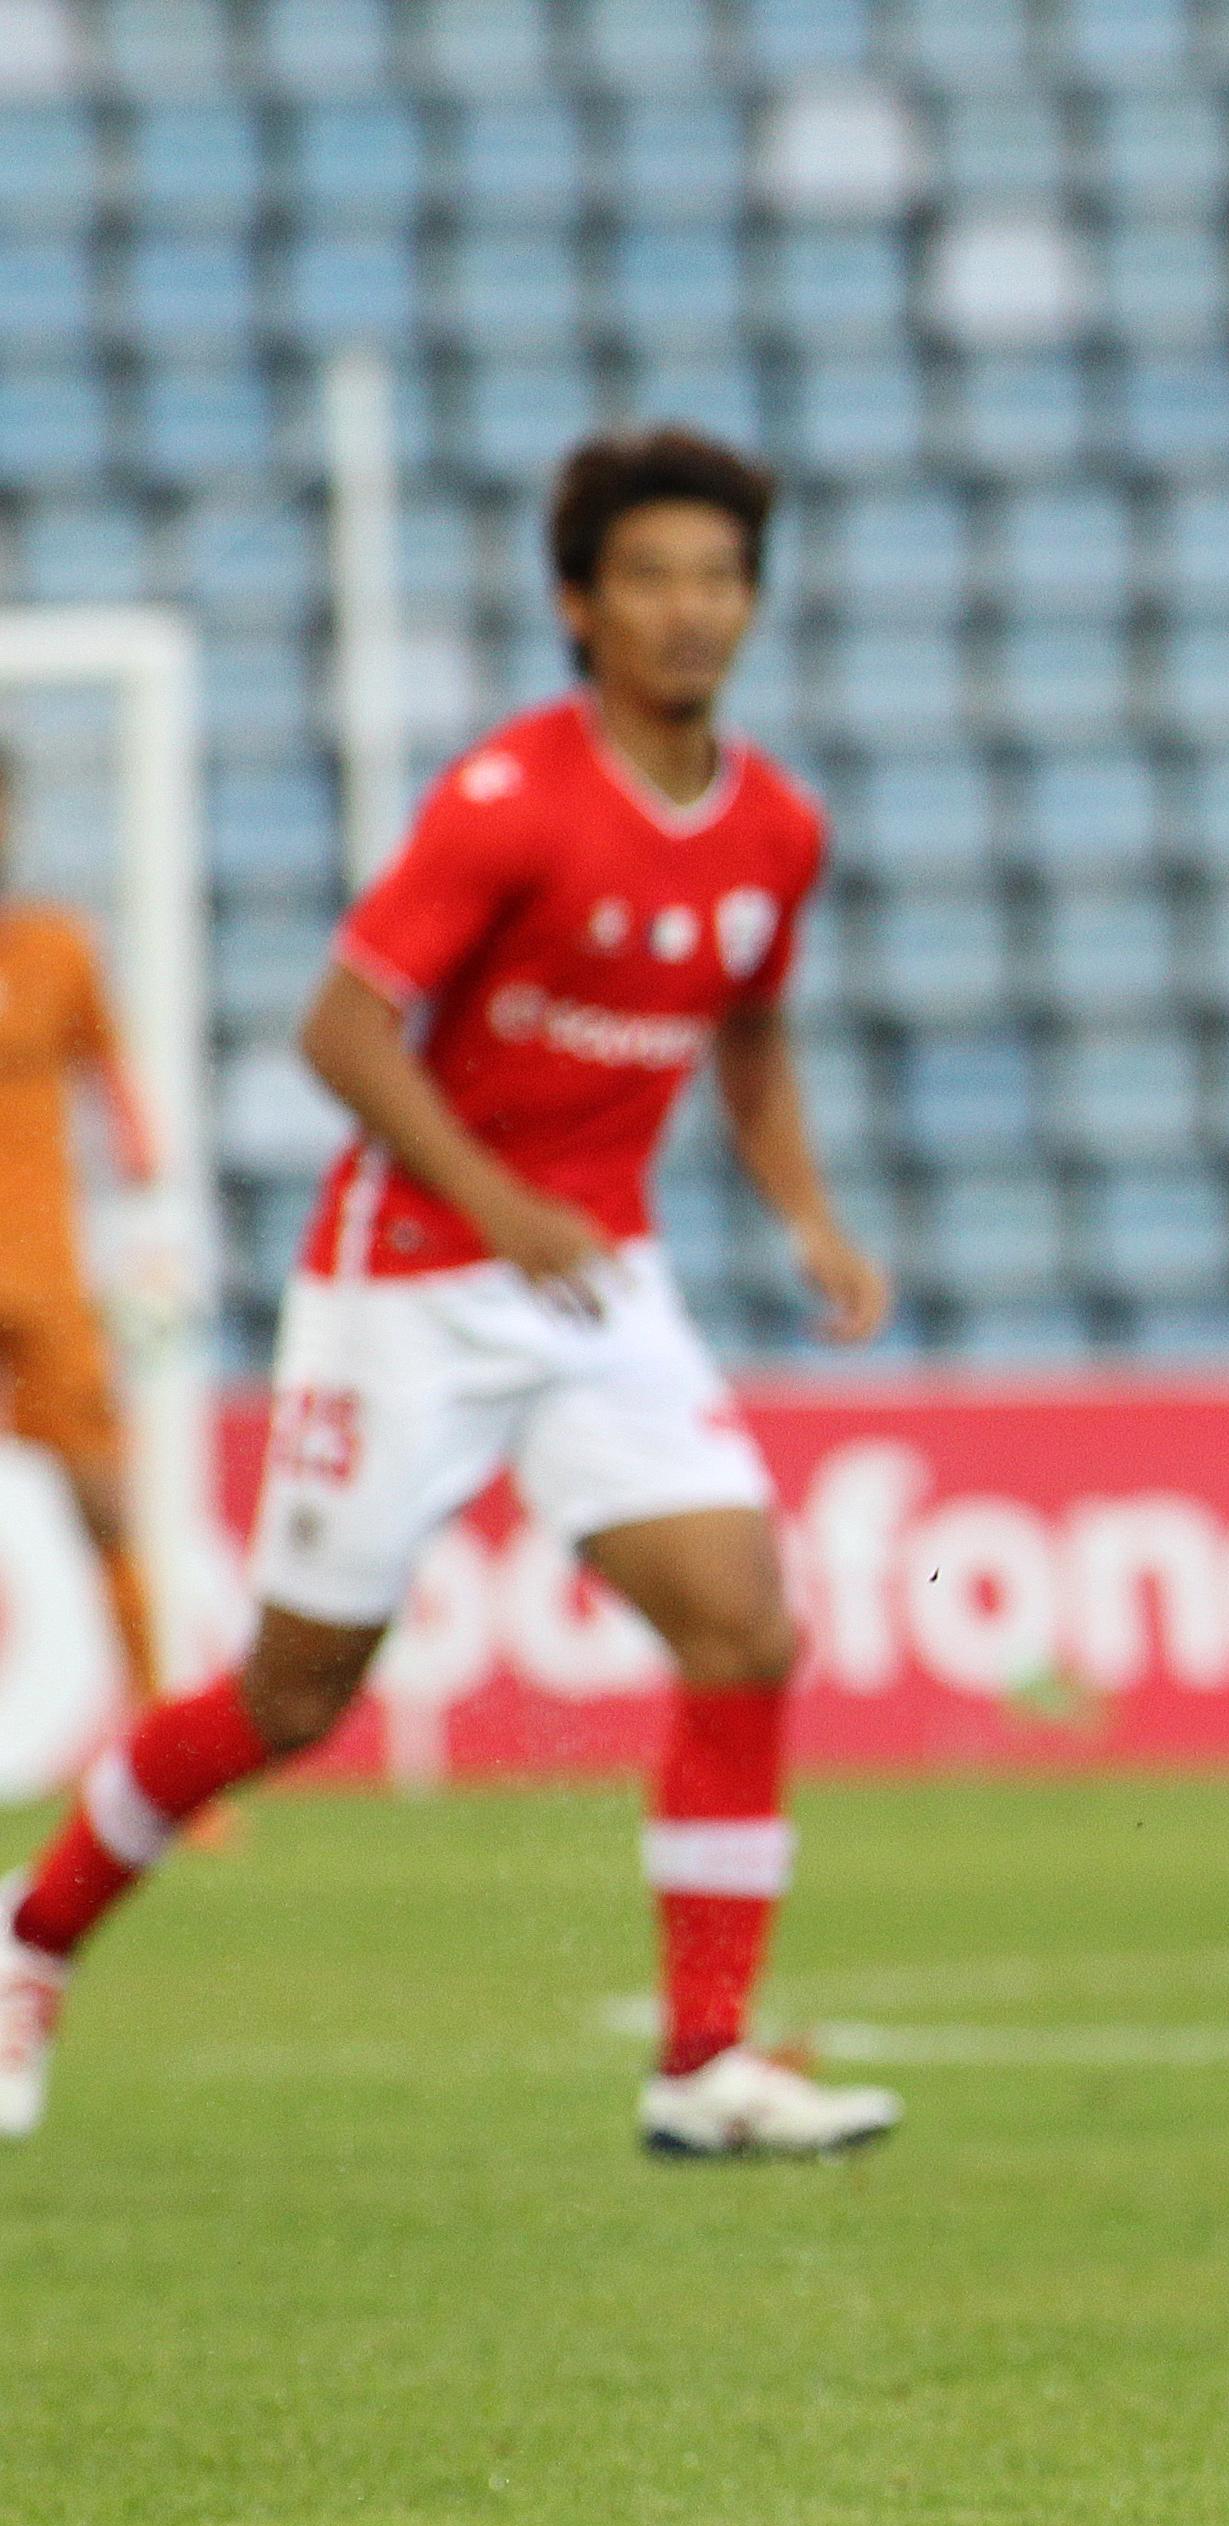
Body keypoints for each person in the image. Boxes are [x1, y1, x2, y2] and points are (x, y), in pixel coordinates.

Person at [0, 427, 900, 2158]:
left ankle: (701, 2062)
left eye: (717, 578)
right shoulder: (511, 802)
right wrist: (497, 1197)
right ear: (579, 603)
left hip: (593, 1286)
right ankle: (30, 1945)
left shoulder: (775, 830)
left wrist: (806, 1214)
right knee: (291, 1698)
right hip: (408, 1280)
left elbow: (755, 1025)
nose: (689, 610)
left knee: (746, 1627)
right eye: (649, 578)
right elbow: (340, 1027)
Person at [0, 752, 167, 1712]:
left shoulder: (58, 948)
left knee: (104, 1504)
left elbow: (118, 1080)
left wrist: (151, 1193)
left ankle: (155, 1749)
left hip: (45, 1277)